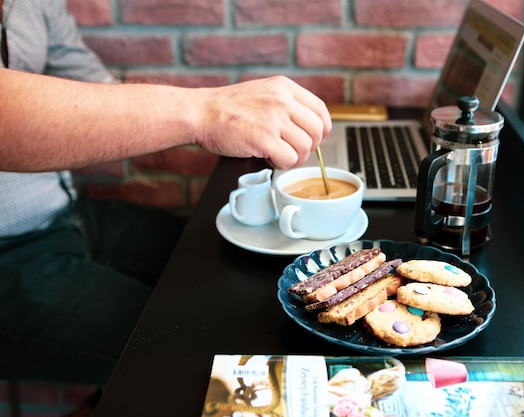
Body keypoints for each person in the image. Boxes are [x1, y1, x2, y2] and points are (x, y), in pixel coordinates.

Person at [0, 0, 331, 404]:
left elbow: (90, 90)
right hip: (11, 251)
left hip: (63, 213)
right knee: (194, 356)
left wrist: (224, 115)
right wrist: (207, 111)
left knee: (234, 281)